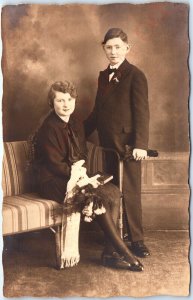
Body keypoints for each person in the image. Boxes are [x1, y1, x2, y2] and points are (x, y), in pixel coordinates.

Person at [34, 80, 144, 271]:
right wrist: (80, 177)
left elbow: (82, 152)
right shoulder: (48, 128)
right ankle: (125, 253)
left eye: (69, 99)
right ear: (52, 103)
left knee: (112, 191)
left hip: (76, 174)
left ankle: (110, 253)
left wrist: (84, 173)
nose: (66, 104)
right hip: (53, 181)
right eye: (60, 100)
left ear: (74, 101)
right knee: (94, 197)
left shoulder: (76, 122)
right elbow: (55, 165)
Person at [84, 28, 150, 258]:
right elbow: (97, 112)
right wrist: (75, 134)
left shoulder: (135, 75)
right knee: (110, 192)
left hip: (128, 147)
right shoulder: (103, 76)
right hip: (106, 147)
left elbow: (142, 113)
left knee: (130, 192)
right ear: (104, 49)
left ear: (127, 48)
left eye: (118, 47)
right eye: (109, 47)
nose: (113, 52)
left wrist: (140, 144)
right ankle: (114, 236)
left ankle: (137, 240)